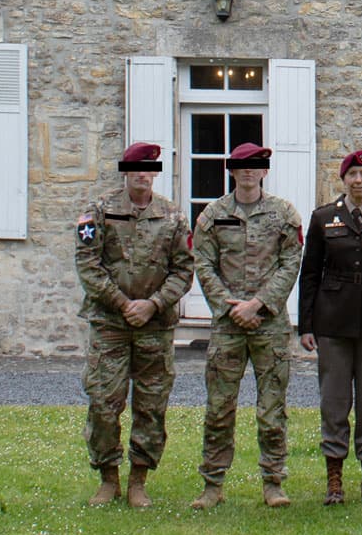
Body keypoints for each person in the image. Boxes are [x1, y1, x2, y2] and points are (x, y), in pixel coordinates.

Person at [74, 141, 194, 508]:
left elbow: (184, 270)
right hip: (110, 323)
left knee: (151, 404)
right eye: (136, 169)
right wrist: (124, 304)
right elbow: (88, 265)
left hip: (155, 327)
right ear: (125, 171)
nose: (143, 175)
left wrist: (153, 304)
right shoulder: (98, 212)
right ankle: (108, 477)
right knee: (103, 402)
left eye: (149, 169)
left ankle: (139, 480)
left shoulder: (173, 218)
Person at [189, 142, 303, 510]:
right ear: (232, 171)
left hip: (269, 324)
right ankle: (212, 484)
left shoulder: (284, 214)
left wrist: (259, 303)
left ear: (265, 171)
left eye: (256, 166)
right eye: (242, 166)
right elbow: (203, 264)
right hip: (228, 326)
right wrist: (229, 306)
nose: (249, 172)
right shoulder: (212, 215)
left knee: (272, 408)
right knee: (219, 407)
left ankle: (273, 482)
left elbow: (291, 263)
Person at [297, 149, 362, 505]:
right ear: (342, 179)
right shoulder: (324, 218)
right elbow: (310, 273)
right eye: (352, 175)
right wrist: (306, 325)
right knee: (334, 400)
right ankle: (334, 480)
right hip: (334, 321)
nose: (359, 181)